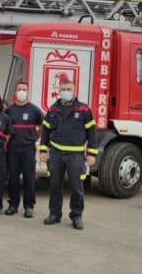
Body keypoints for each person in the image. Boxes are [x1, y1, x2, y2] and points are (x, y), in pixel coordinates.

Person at [39, 80, 98, 230]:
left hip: (75, 155)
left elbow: (92, 132)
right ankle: (54, 214)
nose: (65, 91)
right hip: (56, 154)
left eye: (68, 89)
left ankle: (77, 216)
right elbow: (45, 132)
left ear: (74, 90)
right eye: (63, 89)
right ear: (59, 90)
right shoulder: (53, 110)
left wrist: (91, 153)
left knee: (76, 187)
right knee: (54, 186)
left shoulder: (84, 109)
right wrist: (43, 150)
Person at [4, 81, 43, 218]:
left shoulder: (34, 110)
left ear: (27, 92)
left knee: (29, 178)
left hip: (28, 148)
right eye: (19, 89)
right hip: (12, 148)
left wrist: (33, 138)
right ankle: (13, 205)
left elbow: (41, 127)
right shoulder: (9, 110)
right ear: (15, 92)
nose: (21, 91)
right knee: (13, 178)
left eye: (24, 89)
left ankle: (29, 206)